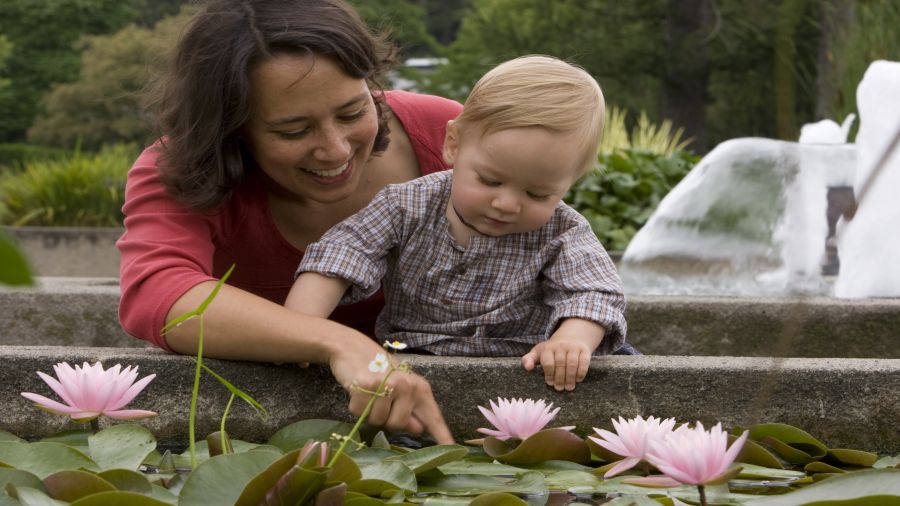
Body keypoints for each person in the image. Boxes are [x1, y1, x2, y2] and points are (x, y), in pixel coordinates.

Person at [116, 0, 462, 443]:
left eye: (354, 112)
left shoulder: (443, 131)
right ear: (231, 131)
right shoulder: (178, 169)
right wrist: (338, 342)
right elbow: (156, 295)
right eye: (293, 131)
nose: (335, 150)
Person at [286, 55, 628, 393]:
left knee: (617, 378)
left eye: (537, 194)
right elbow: (343, 254)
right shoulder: (406, 205)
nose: (506, 204)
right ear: (454, 145)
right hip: (416, 356)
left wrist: (571, 340)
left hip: (527, 365)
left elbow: (593, 291)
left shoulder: (561, 230)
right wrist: (300, 326)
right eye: (490, 181)